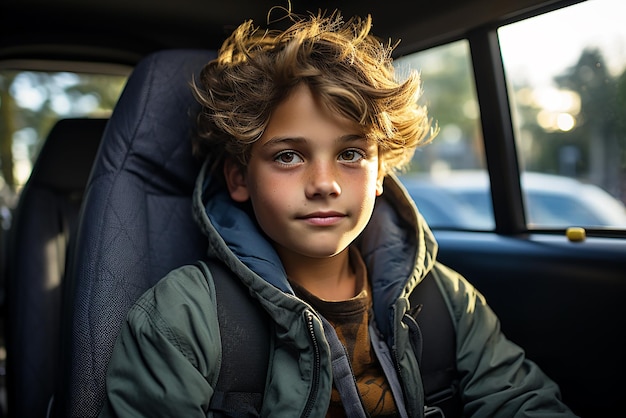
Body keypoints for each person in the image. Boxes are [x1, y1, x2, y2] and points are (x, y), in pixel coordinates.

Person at [99, 8, 577, 418]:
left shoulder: (448, 302)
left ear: (381, 173)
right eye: (288, 156)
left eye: (350, 154)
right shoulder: (184, 317)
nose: (324, 184)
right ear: (239, 178)